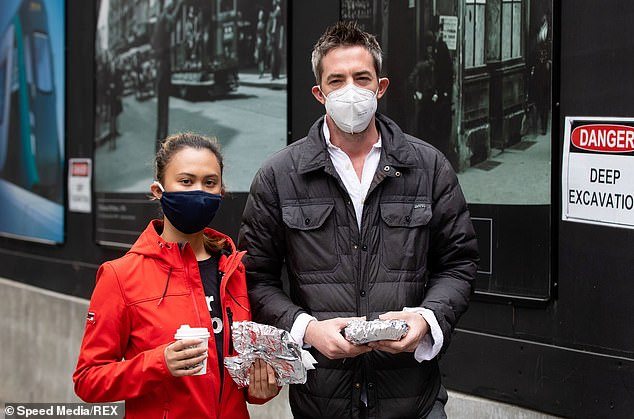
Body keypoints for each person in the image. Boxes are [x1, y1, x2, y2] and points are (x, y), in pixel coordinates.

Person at [239, 21, 479, 418]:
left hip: (413, 400)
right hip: (322, 402)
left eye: (361, 77)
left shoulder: (428, 167)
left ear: (380, 87)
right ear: (319, 93)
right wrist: (307, 330)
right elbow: (255, 277)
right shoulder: (279, 175)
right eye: (337, 80)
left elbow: (459, 264)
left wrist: (426, 319)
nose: (350, 90)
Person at [74, 133, 280, 418]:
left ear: (221, 192)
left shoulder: (234, 271)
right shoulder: (120, 276)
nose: (199, 191)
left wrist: (260, 389)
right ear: (159, 190)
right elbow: (88, 381)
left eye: (210, 183)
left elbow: (238, 379)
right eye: (186, 181)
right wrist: (160, 363)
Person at [153, 0, 182, 153]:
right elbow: (173, 21)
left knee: (162, 110)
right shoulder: (164, 18)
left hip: (160, 66)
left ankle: (160, 146)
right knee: (163, 110)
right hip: (164, 66)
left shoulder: (159, 19)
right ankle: (161, 148)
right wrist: (179, 5)